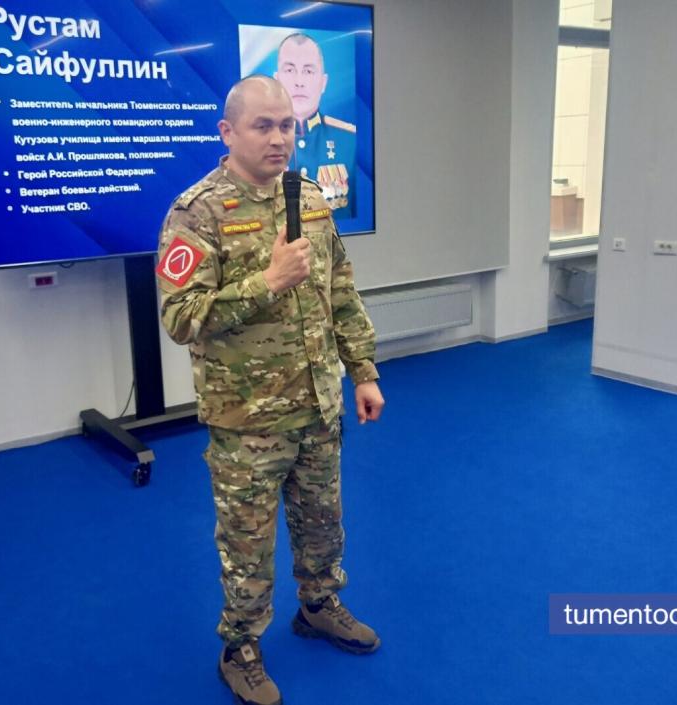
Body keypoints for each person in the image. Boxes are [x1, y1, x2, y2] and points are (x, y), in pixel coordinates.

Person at [155, 75, 384, 705]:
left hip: (318, 404)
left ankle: (319, 606)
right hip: (247, 420)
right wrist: (267, 282)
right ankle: (241, 646)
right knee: (248, 544)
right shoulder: (197, 212)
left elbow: (340, 291)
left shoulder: (309, 198)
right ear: (228, 132)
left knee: (323, 523)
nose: (279, 137)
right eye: (263, 126)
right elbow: (179, 318)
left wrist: (363, 371)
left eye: (286, 125)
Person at [274, 32, 357, 220]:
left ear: (323, 82)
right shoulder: (257, 145)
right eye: (290, 70)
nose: (299, 82)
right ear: (277, 80)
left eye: (308, 71)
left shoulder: (350, 141)